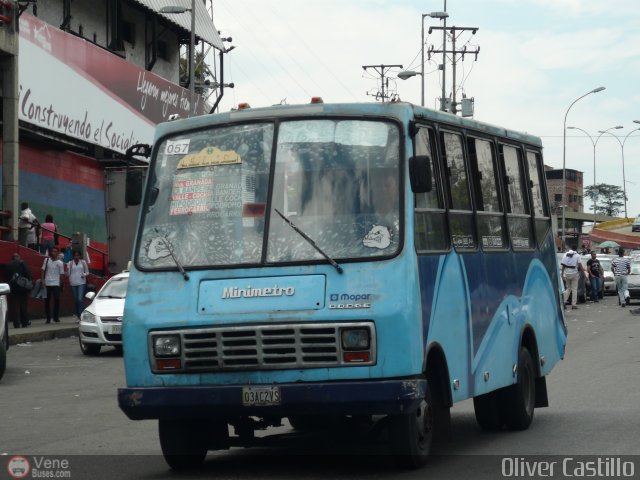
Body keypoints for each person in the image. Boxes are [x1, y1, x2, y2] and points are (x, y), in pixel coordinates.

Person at [5, 253, 32, 328]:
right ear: (18, 257)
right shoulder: (22, 263)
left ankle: (16, 323)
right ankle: (24, 322)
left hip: (13, 288)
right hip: (22, 288)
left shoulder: (8, 265)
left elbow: (6, 277)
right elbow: (28, 274)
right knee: (23, 305)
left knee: (15, 306)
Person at [42, 247, 65, 323]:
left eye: (55, 251)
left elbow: (61, 274)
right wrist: (43, 281)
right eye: (52, 251)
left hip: (56, 283)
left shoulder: (60, 263)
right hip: (47, 283)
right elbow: (43, 270)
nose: (53, 253)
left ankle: (55, 317)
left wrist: (61, 284)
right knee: (47, 301)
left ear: (58, 253)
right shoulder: (47, 260)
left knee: (57, 300)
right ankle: (48, 318)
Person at [67, 250, 89, 319]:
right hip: (73, 283)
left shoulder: (83, 262)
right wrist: (67, 270)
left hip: (81, 282)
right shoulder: (70, 263)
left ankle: (81, 315)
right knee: (76, 300)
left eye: (78, 255)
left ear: (80, 256)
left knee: (80, 299)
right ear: (73, 256)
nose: (76, 257)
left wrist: (84, 274)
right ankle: (77, 314)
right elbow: (68, 274)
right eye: (75, 255)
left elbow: (87, 272)